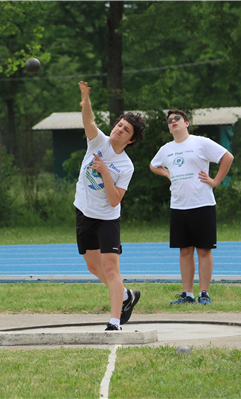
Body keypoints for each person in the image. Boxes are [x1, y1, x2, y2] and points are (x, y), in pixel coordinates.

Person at [74, 81, 145, 330]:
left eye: (125, 130)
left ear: (130, 140)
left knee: (110, 267)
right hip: (84, 212)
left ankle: (115, 321)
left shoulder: (126, 166)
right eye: (119, 125)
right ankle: (126, 295)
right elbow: (89, 121)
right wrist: (86, 99)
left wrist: (105, 171)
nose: (119, 130)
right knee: (91, 264)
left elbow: (115, 199)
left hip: (107, 218)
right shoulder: (98, 142)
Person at [150, 109, 234, 305]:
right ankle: (187, 294)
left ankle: (204, 293)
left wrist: (215, 181)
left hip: (202, 204)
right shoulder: (166, 149)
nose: (173, 122)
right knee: (185, 251)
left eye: (176, 118)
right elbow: (153, 165)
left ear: (186, 122)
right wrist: (168, 174)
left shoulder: (200, 142)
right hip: (178, 206)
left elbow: (227, 157)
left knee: (203, 250)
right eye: (169, 120)